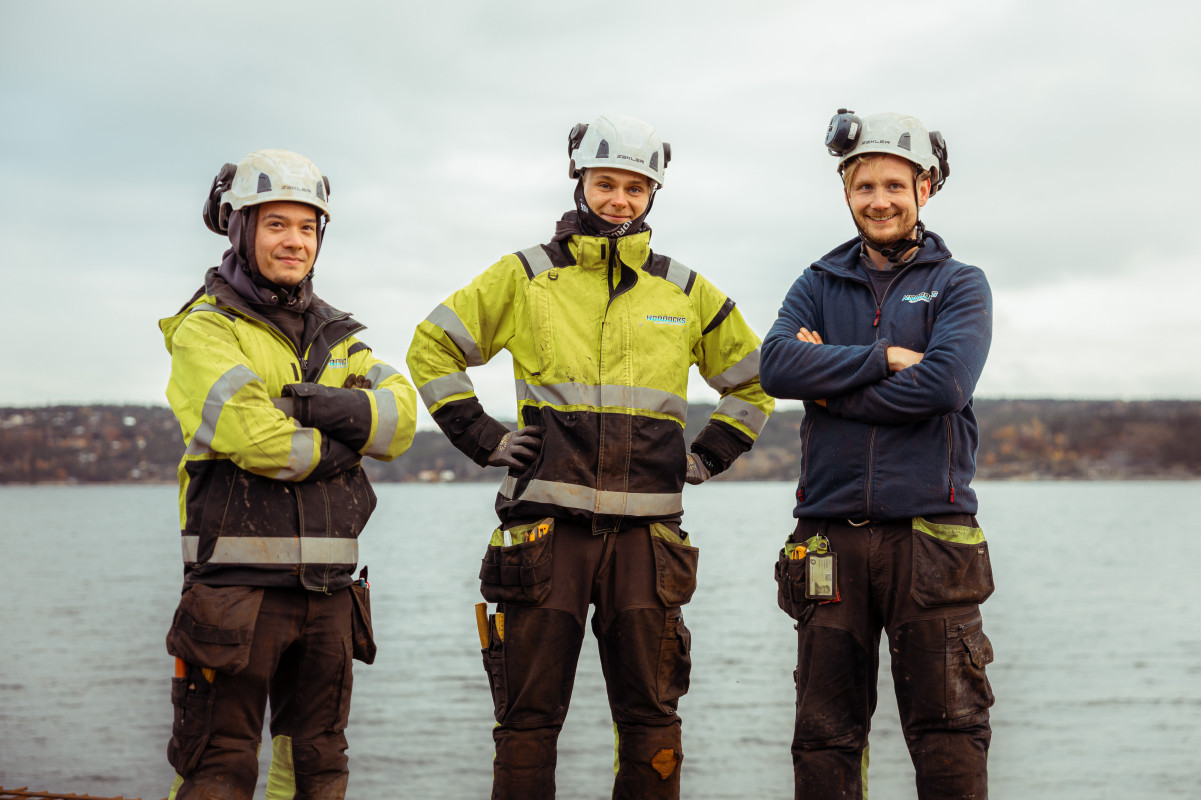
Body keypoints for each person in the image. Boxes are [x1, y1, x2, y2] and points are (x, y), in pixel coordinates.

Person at [406, 114, 774, 800]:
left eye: (635, 188)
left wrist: (708, 454)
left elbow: (754, 380)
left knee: (652, 719)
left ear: (652, 194)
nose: (619, 200)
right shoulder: (526, 277)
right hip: (544, 535)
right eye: (606, 184)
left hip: (648, 543)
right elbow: (432, 346)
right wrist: (482, 436)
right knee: (527, 721)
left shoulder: (684, 291)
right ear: (579, 182)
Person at [159, 148, 418, 799]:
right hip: (234, 597)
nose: (295, 242)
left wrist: (310, 408)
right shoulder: (206, 330)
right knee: (218, 767)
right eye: (276, 224)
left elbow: (400, 422)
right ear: (240, 228)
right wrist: (346, 438)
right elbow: (258, 441)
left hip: (329, 597)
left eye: (307, 227)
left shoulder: (339, 337)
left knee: (317, 768)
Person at [759, 110, 996, 799]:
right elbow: (775, 366)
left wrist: (828, 387)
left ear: (925, 188)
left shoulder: (960, 284)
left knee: (949, 732)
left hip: (932, 538)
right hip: (827, 537)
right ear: (846, 192)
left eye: (895, 185)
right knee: (824, 737)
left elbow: (944, 386)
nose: (880, 200)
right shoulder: (816, 281)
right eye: (865, 186)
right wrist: (882, 358)